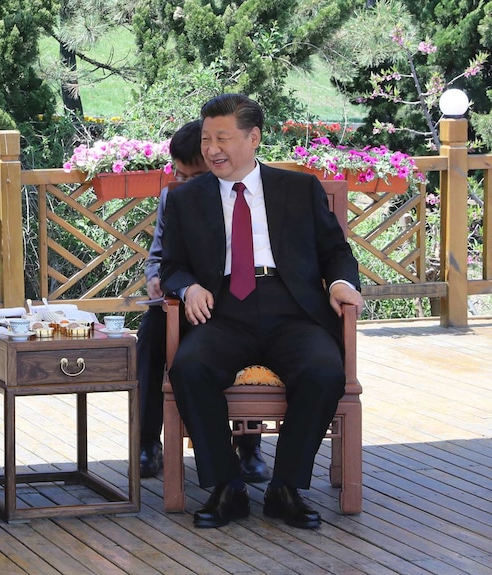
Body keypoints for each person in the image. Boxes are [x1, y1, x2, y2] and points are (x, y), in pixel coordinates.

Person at [160, 94, 363, 530]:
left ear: (253, 138)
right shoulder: (185, 199)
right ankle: (227, 486)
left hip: (291, 307)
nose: (212, 148)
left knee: (325, 371)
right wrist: (187, 285)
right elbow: (170, 265)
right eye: (207, 138)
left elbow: (336, 252)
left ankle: (285, 487)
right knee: (189, 368)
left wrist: (344, 284)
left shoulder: (298, 188)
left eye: (223, 138)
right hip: (223, 309)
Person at [137, 120, 271, 484]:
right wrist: (155, 279)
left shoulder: (246, 196)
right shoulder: (173, 197)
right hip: (182, 301)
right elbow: (158, 256)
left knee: (252, 323)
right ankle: (148, 441)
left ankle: (249, 446)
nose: (182, 183)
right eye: (177, 174)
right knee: (150, 331)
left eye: (191, 176)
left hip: (233, 304)